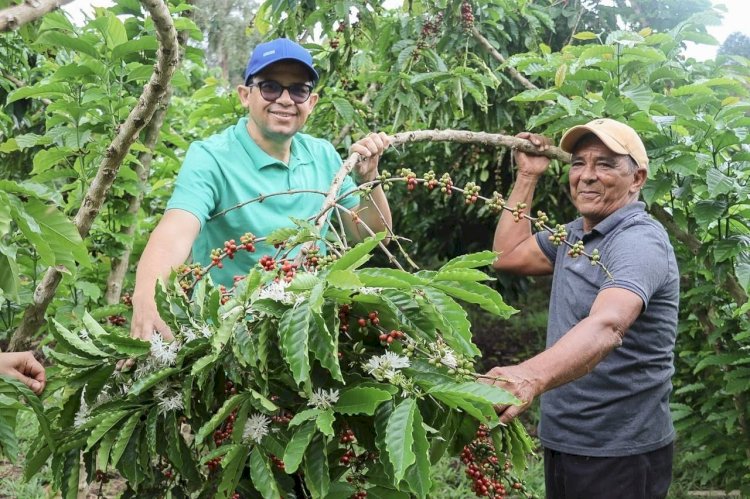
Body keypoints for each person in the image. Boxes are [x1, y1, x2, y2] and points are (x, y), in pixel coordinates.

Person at [129, 38, 392, 344]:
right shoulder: (212, 157)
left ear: (312, 102)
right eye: (270, 87)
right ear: (245, 95)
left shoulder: (324, 156)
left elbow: (372, 236)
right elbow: (177, 229)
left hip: (309, 329)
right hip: (230, 337)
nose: (284, 99)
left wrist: (370, 178)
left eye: (298, 90)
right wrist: (147, 298)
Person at [485, 118, 679, 498]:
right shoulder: (576, 235)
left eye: (605, 164)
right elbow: (506, 256)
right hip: (567, 437)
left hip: (619, 449)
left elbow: (607, 325)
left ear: (637, 179)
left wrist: (528, 376)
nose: (587, 176)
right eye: (578, 163)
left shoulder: (639, 241)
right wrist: (527, 176)